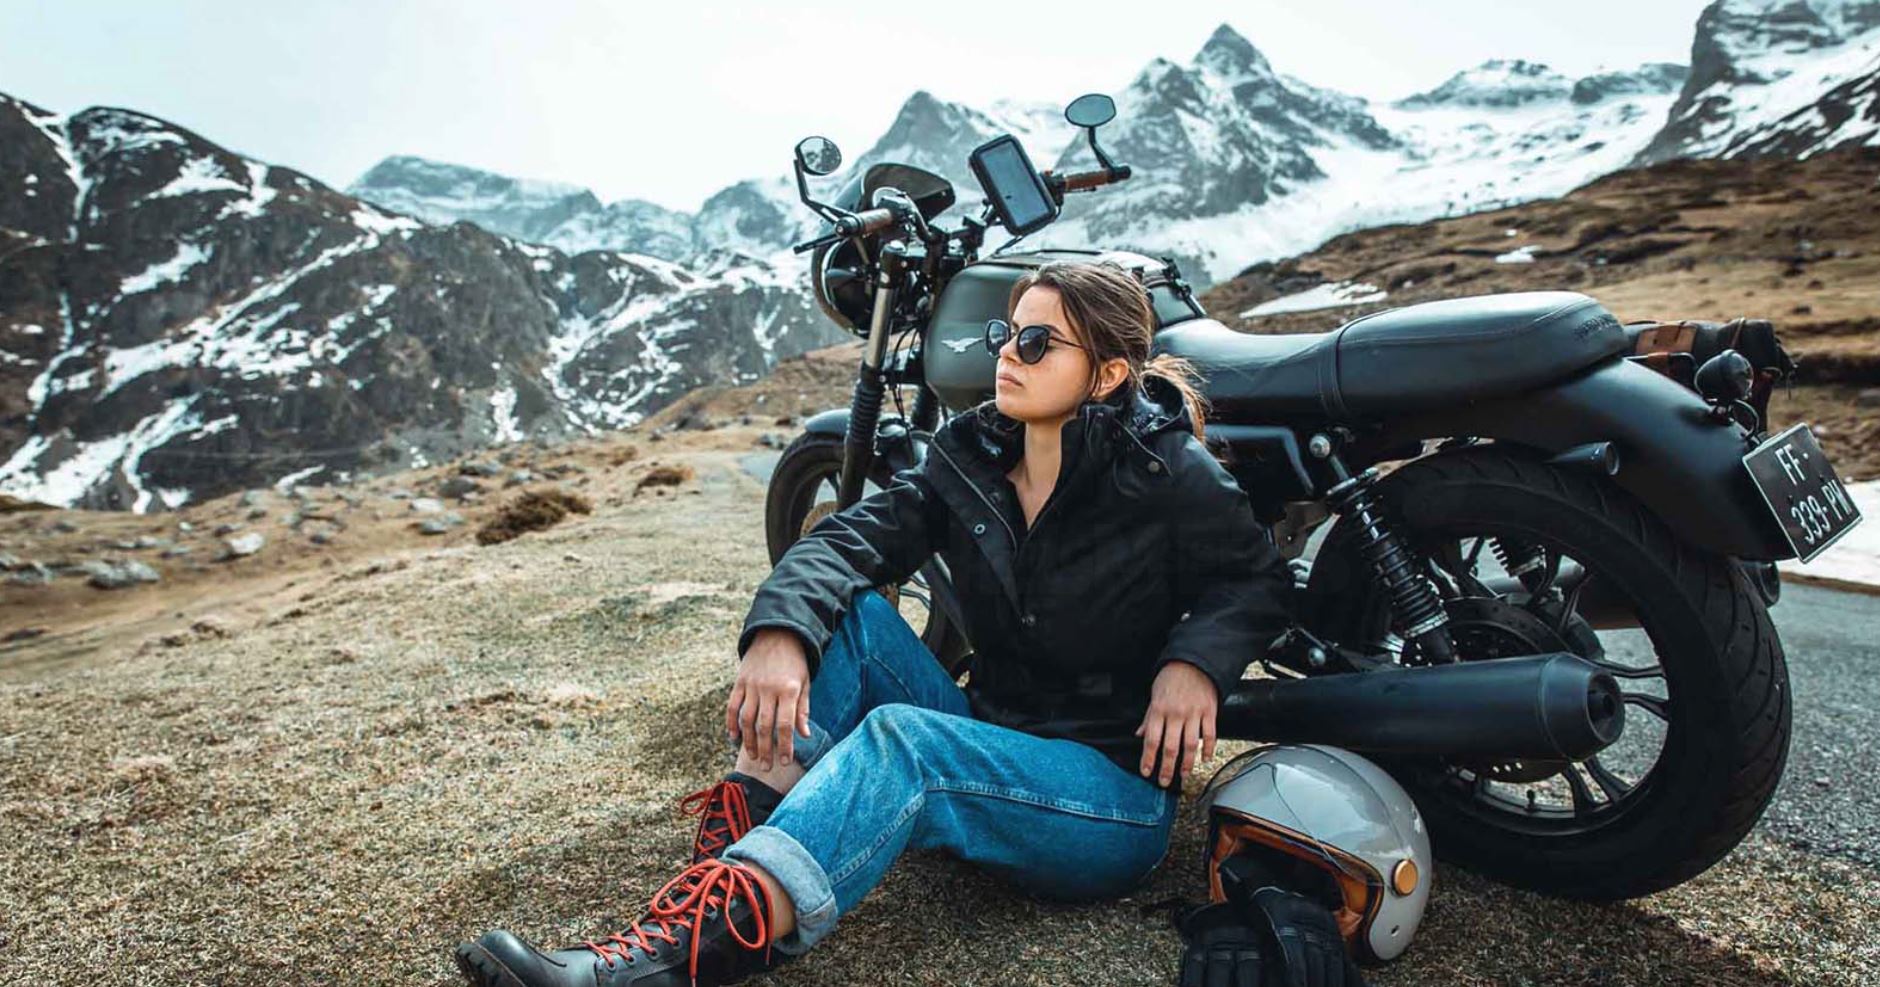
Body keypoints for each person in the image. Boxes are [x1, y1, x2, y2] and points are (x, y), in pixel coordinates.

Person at [454, 260, 1296, 987]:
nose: (1007, 353)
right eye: (1007, 333)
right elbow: (845, 542)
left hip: (1106, 799)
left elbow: (1256, 578)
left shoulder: (1167, 472)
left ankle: (694, 954)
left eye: (1039, 342)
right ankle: (729, 868)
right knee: (847, 615)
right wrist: (781, 633)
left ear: (1106, 375)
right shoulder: (973, 455)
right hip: (993, 732)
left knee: (906, 742)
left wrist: (1195, 662)